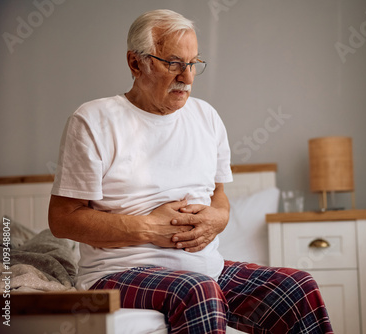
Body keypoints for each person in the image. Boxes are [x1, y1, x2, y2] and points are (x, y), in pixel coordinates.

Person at [48, 9, 333, 334]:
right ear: (135, 62)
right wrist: (150, 229)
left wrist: (218, 220)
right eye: (173, 63)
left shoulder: (206, 118)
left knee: (297, 288)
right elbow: (62, 218)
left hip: (206, 269)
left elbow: (219, 197)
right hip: (119, 273)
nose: (187, 76)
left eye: (193, 63)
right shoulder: (93, 121)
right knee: (199, 290)